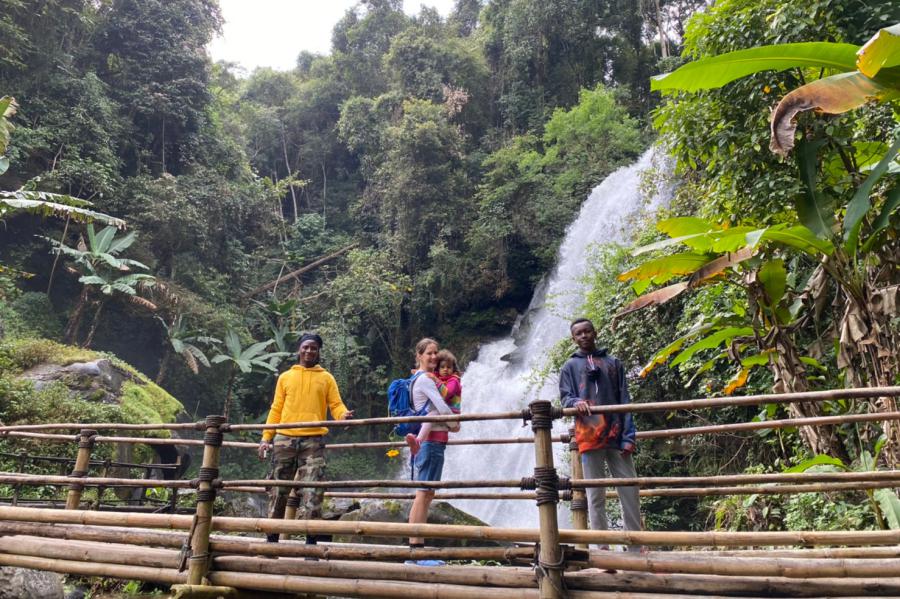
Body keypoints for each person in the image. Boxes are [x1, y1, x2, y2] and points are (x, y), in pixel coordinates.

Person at [257, 333, 353, 544]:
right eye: (306, 347)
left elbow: (336, 405)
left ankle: (311, 541)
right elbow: (276, 409)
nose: (309, 351)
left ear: (319, 352)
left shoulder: (326, 378)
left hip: (313, 440)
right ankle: (272, 539)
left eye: (314, 348)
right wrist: (266, 437)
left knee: (313, 489)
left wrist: (343, 415)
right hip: (284, 440)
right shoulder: (285, 377)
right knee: (278, 489)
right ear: (299, 349)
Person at [559, 318, 641, 553]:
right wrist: (576, 402)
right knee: (595, 496)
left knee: (629, 490)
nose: (583, 336)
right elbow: (565, 398)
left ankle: (634, 546)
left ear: (595, 333)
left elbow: (624, 399)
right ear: (573, 339)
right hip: (589, 438)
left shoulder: (613, 363)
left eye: (587, 331)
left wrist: (629, 436)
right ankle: (602, 548)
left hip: (617, 436)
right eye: (578, 333)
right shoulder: (569, 367)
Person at [405, 338, 458, 564]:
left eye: (436, 353)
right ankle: (416, 552)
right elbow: (443, 407)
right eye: (429, 353)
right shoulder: (426, 379)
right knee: (423, 494)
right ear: (419, 355)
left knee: (425, 494)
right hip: (430, 443)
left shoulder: (420, 378)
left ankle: (416, 551)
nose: (434, 357)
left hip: (431, 442)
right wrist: (455, 424)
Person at [404, 349, 462, 456]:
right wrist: (418, 372)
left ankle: (418, 440)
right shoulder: (441, 377)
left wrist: (435, 379)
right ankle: (413, 436)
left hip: (451, 414)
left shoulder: (454, 381)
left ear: (454, 369)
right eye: (442, 367)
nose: (445, 370)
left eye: (449, 367)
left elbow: (447, 393)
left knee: (431, 415)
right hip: (444, 415)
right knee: (428, 415)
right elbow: (430, 374)